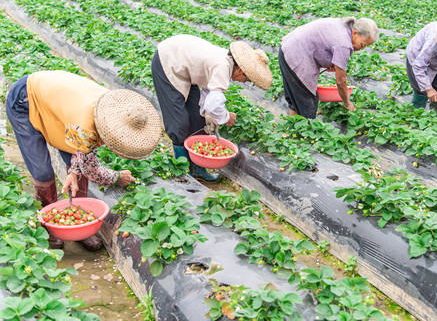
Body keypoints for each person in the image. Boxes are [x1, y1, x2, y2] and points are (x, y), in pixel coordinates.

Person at [6, 70, 162, 250]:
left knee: (71, 157)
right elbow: (90, 169)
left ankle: (79, 223)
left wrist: (73, 171)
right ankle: (48, 228)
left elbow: (81, 153)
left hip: (60, 104)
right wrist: (117, 177)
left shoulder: (110, 109)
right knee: (42, 170)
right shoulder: (86, 124)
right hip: (25, 98)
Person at [151, 35, 272, 183]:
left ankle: (198, 169)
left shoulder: (226, 63)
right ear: (241, 70)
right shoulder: (223, 66)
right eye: (246, 79)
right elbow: (213, 104)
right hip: (167, 61)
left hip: (185, 67)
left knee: (197, 119)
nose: (244, 82)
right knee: (179, 122)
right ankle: (182, 172)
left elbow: (208, 94)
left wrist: (207, 114)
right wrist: (226, 117)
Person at [278, 17, 378, 119]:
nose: (361, 49)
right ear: (355, 33)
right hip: (295, 56)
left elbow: (325, 41)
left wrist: (330, 62)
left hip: (287, 48)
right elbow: (340, 81)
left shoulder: (345, 25)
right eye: (362, 44)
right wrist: (346, 103)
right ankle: (303, 132)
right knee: (307, 103)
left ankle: (293, 129)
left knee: (296, 100)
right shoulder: (344, 44)